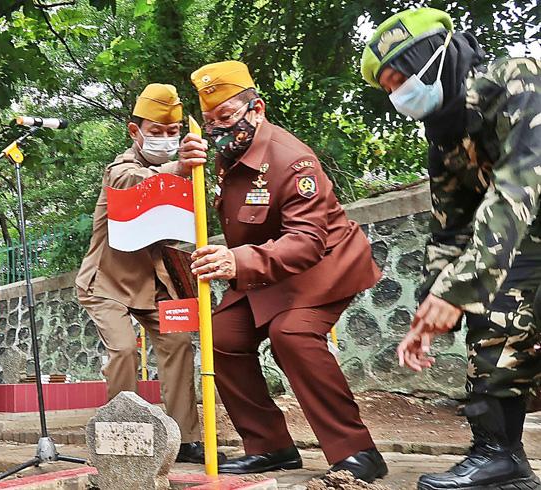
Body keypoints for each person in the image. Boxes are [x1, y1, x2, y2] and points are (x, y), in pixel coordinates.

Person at [360, 7, 541, 489]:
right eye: (388, 88)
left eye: (401, 77)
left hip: (527, 228)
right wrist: (429, 310)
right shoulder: (445, 139)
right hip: (524, 246)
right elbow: (450, 231)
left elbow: (517, 188)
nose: (399, 94)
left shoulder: (516, 80)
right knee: (490, 308)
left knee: (489, 285)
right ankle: (498, 453)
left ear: (435, 57)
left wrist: (459, 287)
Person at [182, 61, 387, 481]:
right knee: (220, 336)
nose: (218, 128)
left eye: (226, 117)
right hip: (265, 270)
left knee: (291, 334)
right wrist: (184, 170)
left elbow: (307, 241)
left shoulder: (293, 160)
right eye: (209, 121)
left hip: (323, 266)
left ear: (256, 109)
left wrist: (235, 261)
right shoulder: (227, 155)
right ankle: (269, 447)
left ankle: (358, 451)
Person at [75, 83, 216, 464]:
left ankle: (183, 438)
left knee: (179, 346)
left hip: (158, 284)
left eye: (173, 133)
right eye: (156, 131)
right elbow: (132, 183)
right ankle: (124, 435)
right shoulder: (119, 169)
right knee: (123, 350)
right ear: (134, 131)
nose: (166, 139)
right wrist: (178, 167)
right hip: (106, 284)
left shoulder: (189, 176)